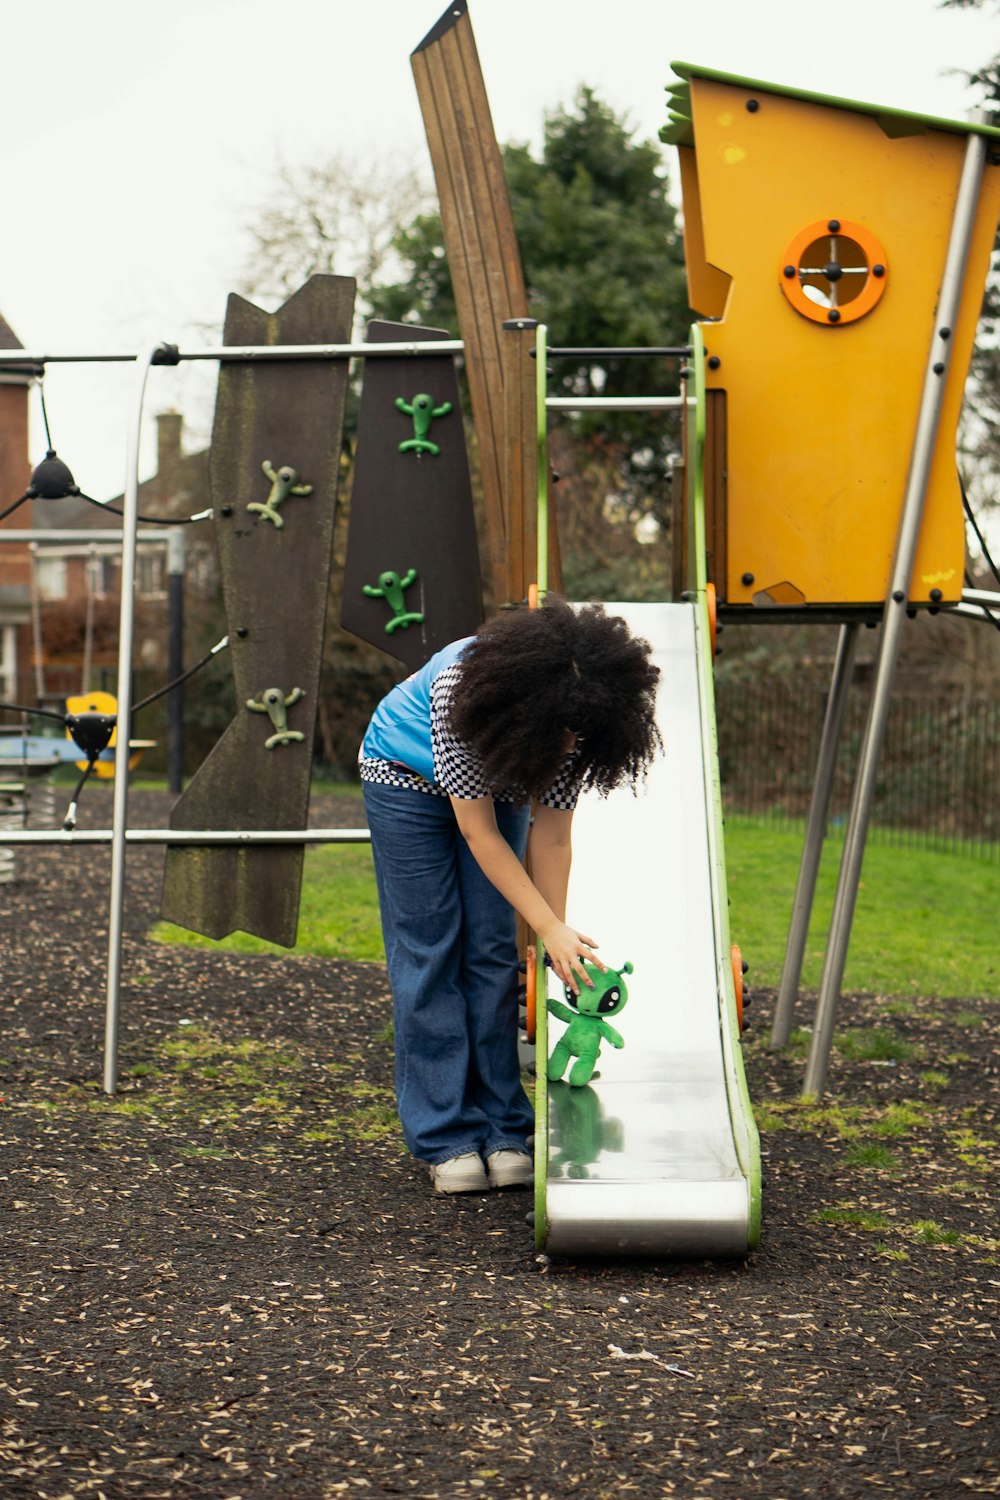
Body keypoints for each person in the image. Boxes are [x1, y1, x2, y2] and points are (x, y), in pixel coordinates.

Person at [359, 597, 661, 1195]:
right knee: (431, 952)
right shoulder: (464, 692)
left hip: (502, 773)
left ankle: (503, 1127)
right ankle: (446, 1135)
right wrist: (547, 927)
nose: (572, 742)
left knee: (492, 952)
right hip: (406, 778)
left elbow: (551, 839)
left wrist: (558, 935)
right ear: (532, 708)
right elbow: (478, 832)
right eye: (564, 732)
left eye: (580, 735)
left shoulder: (579, 725)